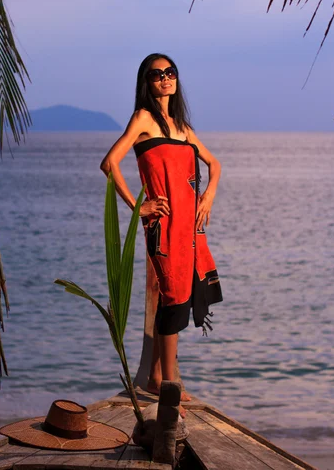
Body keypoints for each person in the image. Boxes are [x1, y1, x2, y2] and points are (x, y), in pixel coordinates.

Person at [100, 53, 223, 417]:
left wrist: (208, 194)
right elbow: (110, 163)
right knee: (172, 298)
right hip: (163, 226)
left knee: (181, 296)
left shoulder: (182, 127)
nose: (165, 79)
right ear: (147, 82)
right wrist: (139, 206)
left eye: (170, 73)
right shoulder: (143, 119)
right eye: (157, 75)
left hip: (189, 227)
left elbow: (214, 164)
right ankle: (169, 388)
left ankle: (156, 376)